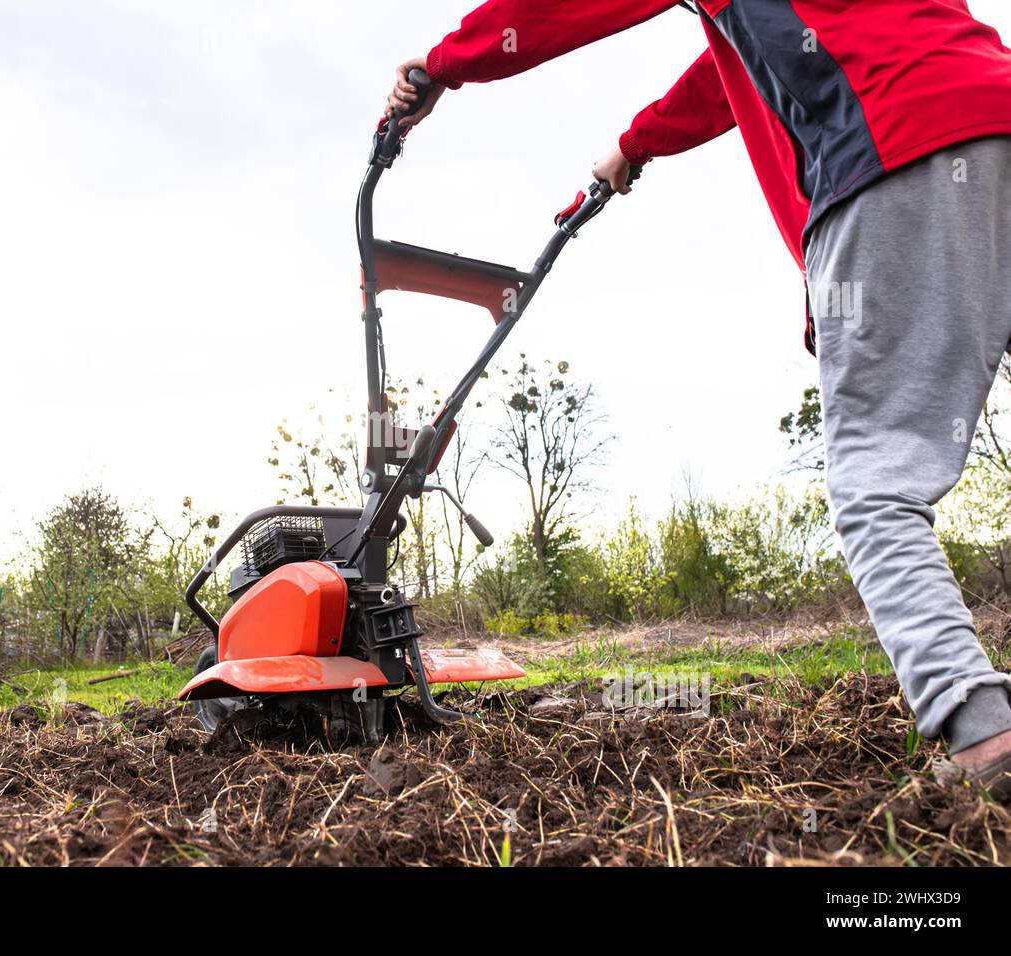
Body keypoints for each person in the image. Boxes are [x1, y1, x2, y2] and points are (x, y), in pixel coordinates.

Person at [386, 0, 1011, 793]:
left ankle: (983, 737)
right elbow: (740, 66)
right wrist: (637, 141)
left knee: (876, 486)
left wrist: (443, 65)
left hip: (896, 144)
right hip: (994, 106)